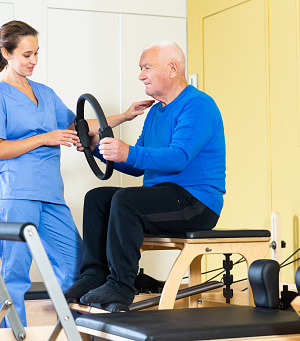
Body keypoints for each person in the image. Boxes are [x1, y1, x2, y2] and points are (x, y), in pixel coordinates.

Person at [0, 20, 153, 326]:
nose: (33, 61)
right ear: (6, 53)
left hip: (50, 196)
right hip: (16, 195)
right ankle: (12, 334)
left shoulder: (44, 93)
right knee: (15, 275)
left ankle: (66, 331)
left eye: (36, 54)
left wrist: (125, 114)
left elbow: (79, 129)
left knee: (77, 268)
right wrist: (46, 137)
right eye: (26, 55)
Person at [64, 41, 226, 307]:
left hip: (196, 202)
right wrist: (96, 148)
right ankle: (94, 275)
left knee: (126, 201)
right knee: (97, 198)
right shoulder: (155, 113)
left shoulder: (198, 105)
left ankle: (120, 287)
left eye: (146, 67)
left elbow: (179, 157)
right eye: (141, 68)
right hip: (163, 196)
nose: (141, 75)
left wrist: (127, 151)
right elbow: (138, 163)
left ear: (173, 69)